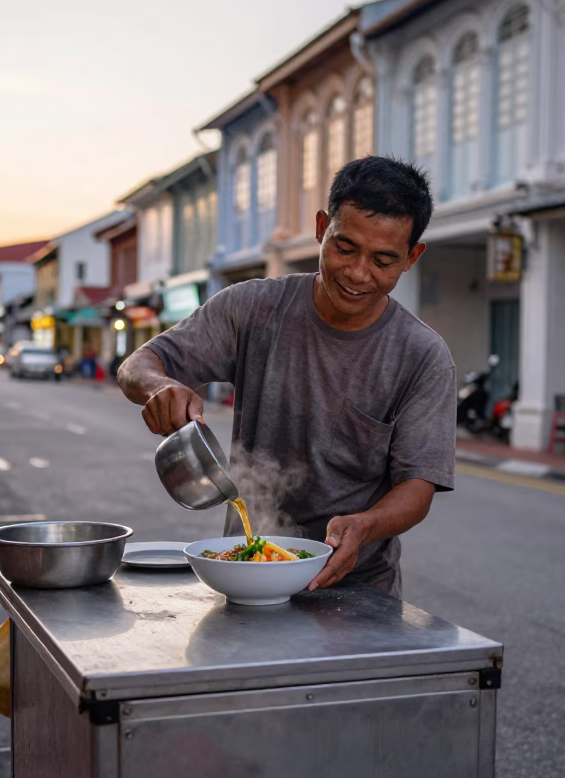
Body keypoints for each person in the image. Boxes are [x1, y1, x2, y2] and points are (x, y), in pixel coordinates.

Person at [118, 156, 456, 598]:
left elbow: (418, 487)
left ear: (412, 257)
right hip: (246, 573)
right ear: (321, 228)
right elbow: (137, 365)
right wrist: (160, 387)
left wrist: (364, 526)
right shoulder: (252, 308)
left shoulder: (422, 356)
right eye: (345, 247)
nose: (357, 273)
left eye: (383, 261)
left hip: (355, 588)